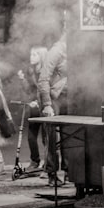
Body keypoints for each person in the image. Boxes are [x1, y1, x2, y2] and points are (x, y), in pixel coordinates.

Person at [37, 23, 67, 187]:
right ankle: (52, 172)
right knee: (52, 139)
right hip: (53, 99)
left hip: (67, 98)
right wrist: (47, 104)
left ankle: (70, 171)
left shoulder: (74, 50)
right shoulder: (57, 51)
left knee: (69, 137)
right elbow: (43, 80)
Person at [16, 46, 48, 171]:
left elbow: (45, 89)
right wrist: (22, 79)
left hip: (44, 107)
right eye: (31, 54)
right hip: (34, 107)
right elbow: (29, 90)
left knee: (46, 137)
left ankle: (48, 164)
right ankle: (35, 161)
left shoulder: (45, 71)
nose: (31, 57)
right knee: (31, 136)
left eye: (35, 55)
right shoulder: (31, 71)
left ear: (41, 56)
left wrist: (38, 101)